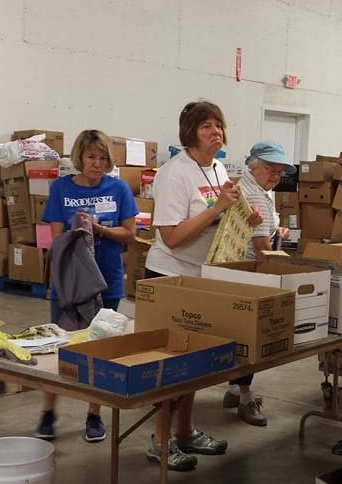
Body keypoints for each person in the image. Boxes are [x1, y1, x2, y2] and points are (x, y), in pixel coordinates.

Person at [143, 100, 260, 471]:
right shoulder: (173, 173)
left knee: (194, 362)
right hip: (170, 276)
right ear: (190, 133)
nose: (216, 132)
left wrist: (244, 216)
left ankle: (186, 431)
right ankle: (159, 441)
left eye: (219, 125)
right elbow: (172, 237)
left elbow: (218, 220)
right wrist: (218, 208)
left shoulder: (218, 169)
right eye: (206, 126)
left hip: (201, 276)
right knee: (170, 364)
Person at [36, 129, 138, 443]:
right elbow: (56, 241)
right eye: (91, 157)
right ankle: (48, 411)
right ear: (79, 157)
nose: (97, 164)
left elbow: (130, 233)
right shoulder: (61, 189)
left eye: (103, 158)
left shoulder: (119, 188)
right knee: (60, 345)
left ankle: (94, 413)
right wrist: (79, 234)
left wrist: (98, 230)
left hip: (107, 281)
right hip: (70, 283)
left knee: (101, 349)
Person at [221, 139, 295, 427]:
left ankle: (233, 390)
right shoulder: (254, 194)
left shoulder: (260, 189)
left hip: (238, 272)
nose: (276, 176)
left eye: (279, 171)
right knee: (251, 337)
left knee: (237, 334)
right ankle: (245, 397)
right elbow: (262, 249)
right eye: (271, 170)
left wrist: (278, 230)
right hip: (250, 274)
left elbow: (267, 229)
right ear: (254, 167)